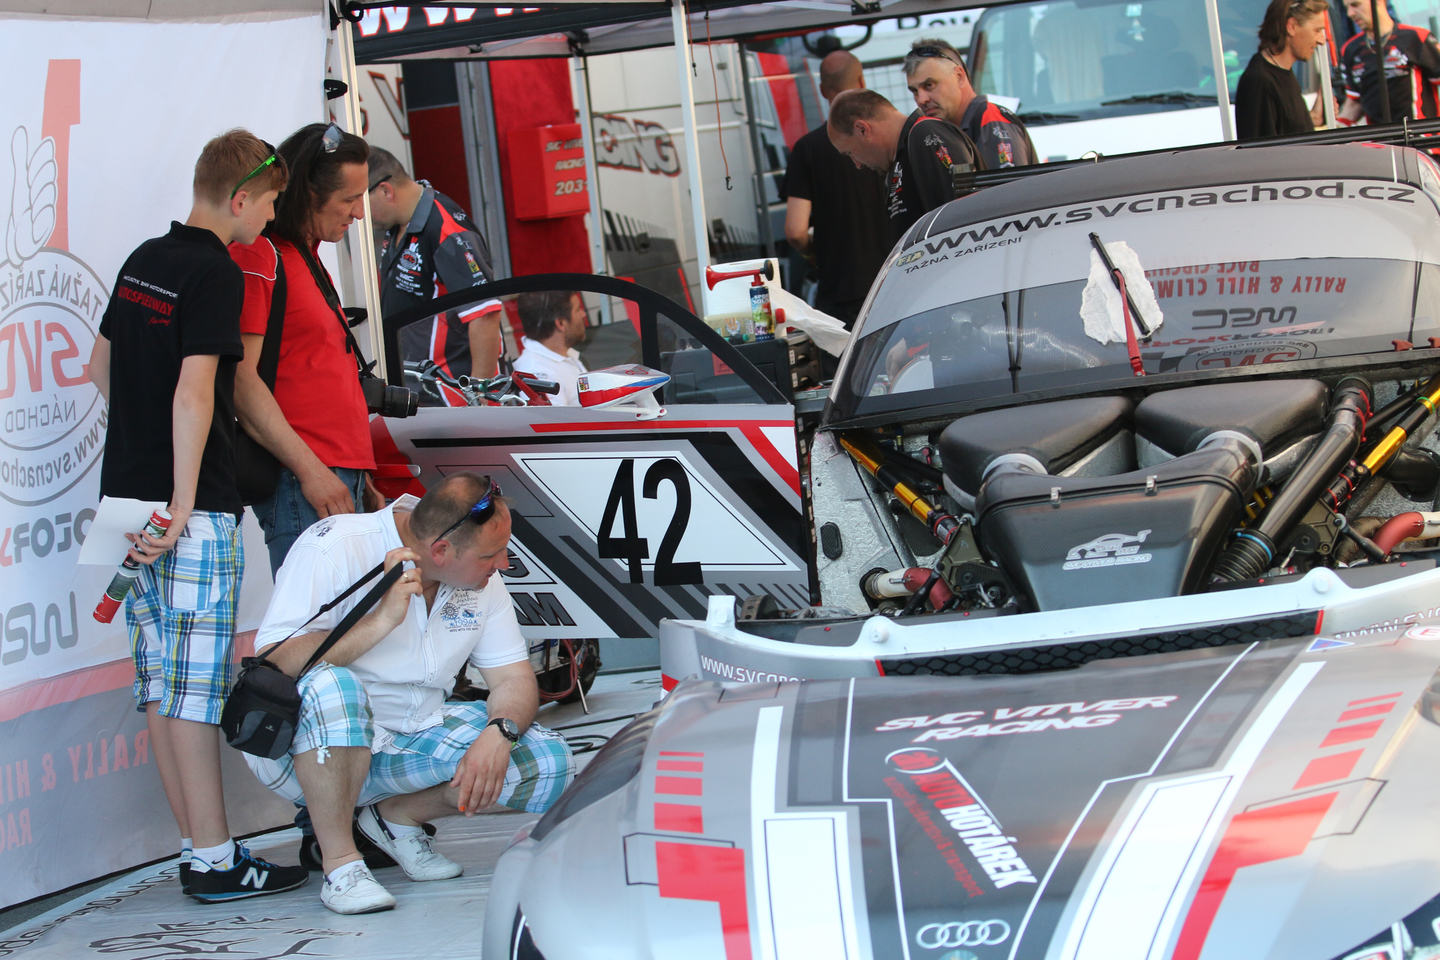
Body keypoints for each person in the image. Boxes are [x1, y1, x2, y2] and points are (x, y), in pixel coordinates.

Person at [89, 129, 308, 903]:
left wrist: (147, 458)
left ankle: (198, 849)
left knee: (159, 681)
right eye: (271, 202)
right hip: (189, 511)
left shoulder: (145, 258)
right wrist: (182, 497)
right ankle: (215, 860)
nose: (272, 217)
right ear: (241, 197)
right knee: (192, 689)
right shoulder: (216, 272)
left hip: (125, 500)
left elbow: (99, 366)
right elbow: (195, 392)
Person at [242, 472, 575, 914]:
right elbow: (274, 663)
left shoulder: (479, 578)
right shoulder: (336, 546)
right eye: (491, 555)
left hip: (411, 736)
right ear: (440, 551)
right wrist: (380, 621)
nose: (504, 564)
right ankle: (341, 866)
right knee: (333, 685)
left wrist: (500, 733)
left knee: (550, 765)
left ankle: (397, 815)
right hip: (310, 748)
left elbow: (514, 679)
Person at [231, 123, 380, 577]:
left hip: (333, 473)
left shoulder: (304, 256)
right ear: (310, 194)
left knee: (350, 614)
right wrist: (312, 471)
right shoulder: (261, 255)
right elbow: (240, 381)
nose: (359, 213)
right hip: (304, 478)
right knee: (317, 618)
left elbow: (321, 371)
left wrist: (359, 471)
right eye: (350, 199)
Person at [367, 147, 503, 408]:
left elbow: (485, 314)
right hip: (412, 386)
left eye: (362, 201)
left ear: (385, 191)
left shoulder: (444, 226)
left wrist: (480, 399)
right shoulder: (397, 223)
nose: (358, 212)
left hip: (447, 394)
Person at [783, 51, 891, 330]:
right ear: (862, 81)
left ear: (822, 90)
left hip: (840, 293)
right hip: (894, 284)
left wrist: (814, 253)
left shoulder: (807, 149)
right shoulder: (889, 142)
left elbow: (795, 231)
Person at [827, 88, 980, 242]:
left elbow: (966, 218)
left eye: (849, 153)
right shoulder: (902, 158)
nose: (857, 164)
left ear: (862, 129)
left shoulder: (926, 135)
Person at [904, 38, 1036, 171]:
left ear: (959, 76)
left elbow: (1008, 184)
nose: (921, 99)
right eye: (914, 91)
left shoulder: (989, 119)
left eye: (929, 85)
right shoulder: (949, 131)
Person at [1238, 0, 1332, 137]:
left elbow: (1285, 129)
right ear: (1291, 26)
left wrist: (1313, 118)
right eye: (1317, 31)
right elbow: (1261, 147)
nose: (1322, 40)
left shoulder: (1281, 72)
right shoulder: (1259, 81)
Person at [1339, 0, 1440, 125]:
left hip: (1419, 135)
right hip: (1379, 136)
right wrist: (1337, 126)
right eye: (1347, 7)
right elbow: (1354, 102)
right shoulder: (1349, 49)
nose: (1350, 13)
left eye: (1355, 5)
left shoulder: (1417, 37)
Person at [512, 291, 588, 406]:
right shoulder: (537, 371)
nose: (583, 314)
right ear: (561, 323)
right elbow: (555, 417)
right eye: (578, 309)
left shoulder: (563, 356)